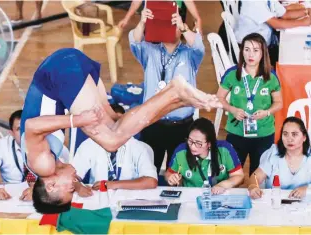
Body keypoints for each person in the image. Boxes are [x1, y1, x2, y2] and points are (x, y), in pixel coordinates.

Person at [21, 48, 221, 213]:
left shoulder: (43, 166)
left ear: (51, 185)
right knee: (118, 126)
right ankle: (177, 100)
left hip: (58, 73)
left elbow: (32, 126)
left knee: (111, 142)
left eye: (70, 188)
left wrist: (76, 120)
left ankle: (175, 92)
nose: (74, 185)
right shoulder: (47, 165)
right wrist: (79, 187)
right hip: (64, 65)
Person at [130, 8, 205, 173]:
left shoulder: (190, 55)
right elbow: (134, 41)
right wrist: (142, 22)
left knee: (178, 174)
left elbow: (199, 46)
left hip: (182, 126)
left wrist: (184, 27)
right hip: (152, 123)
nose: (170, 29)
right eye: (166, 25)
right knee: (148, 172)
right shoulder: (150, 51)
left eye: (174, 25)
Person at [217, 33, 283, 176]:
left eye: (255, 50)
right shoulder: (232, 74)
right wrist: (232, 109)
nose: (250, 54)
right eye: (246, 49)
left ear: (263, 53)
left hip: (263, 133)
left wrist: (266, 112)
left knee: (258, 178)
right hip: (237, 132)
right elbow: (219, 98)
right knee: (231, 175)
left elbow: (279, 103)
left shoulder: (271, 76)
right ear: (242, 52)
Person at [0, 110, 69, 201]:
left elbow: (65, 177)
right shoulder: (1, 146)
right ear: (11, 133)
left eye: (26, 128)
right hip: (11, 198)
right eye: (19, 129)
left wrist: (39, 191)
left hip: (45, 195)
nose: (24, 133)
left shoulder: (53, 144)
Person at [164, 118, 244, 194]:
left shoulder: (225, 149)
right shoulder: (181, 151)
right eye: (190, 141)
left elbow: (238, 176)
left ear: (209, 143)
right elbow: (169, 173)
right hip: (190, 196)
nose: (192, 146)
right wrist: (170, 178)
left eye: (198, 143)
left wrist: (222, 185)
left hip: (219, 196)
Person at [248, 117, 311, 199]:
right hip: (274, 203)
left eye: (294, 134)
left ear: (304, 137)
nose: (289, 139)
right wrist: (253, 187)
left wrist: (307, 189)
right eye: (285, 134)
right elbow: (255, 177)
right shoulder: (273, 153)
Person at [72, 136, 157, 197]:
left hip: (130, 197)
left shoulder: (137, 146)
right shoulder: (90, 144)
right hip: (98, 196)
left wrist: (112, 184)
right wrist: (78, 186)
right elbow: (71, 176)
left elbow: (151, 181)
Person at [234, 0, 311, 64]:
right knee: (292, 56)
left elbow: (284, 14)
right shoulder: (253, 2)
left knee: (295, 51)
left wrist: (307, 11)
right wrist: (304, 22)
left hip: (263, 43)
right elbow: (276, 24)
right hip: (250, 49)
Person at [118, 0, 202, 34]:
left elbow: (189, 2)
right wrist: (126, 18)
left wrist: (198, 19)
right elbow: (136, 2)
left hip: (172, 23)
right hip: (152, 22)